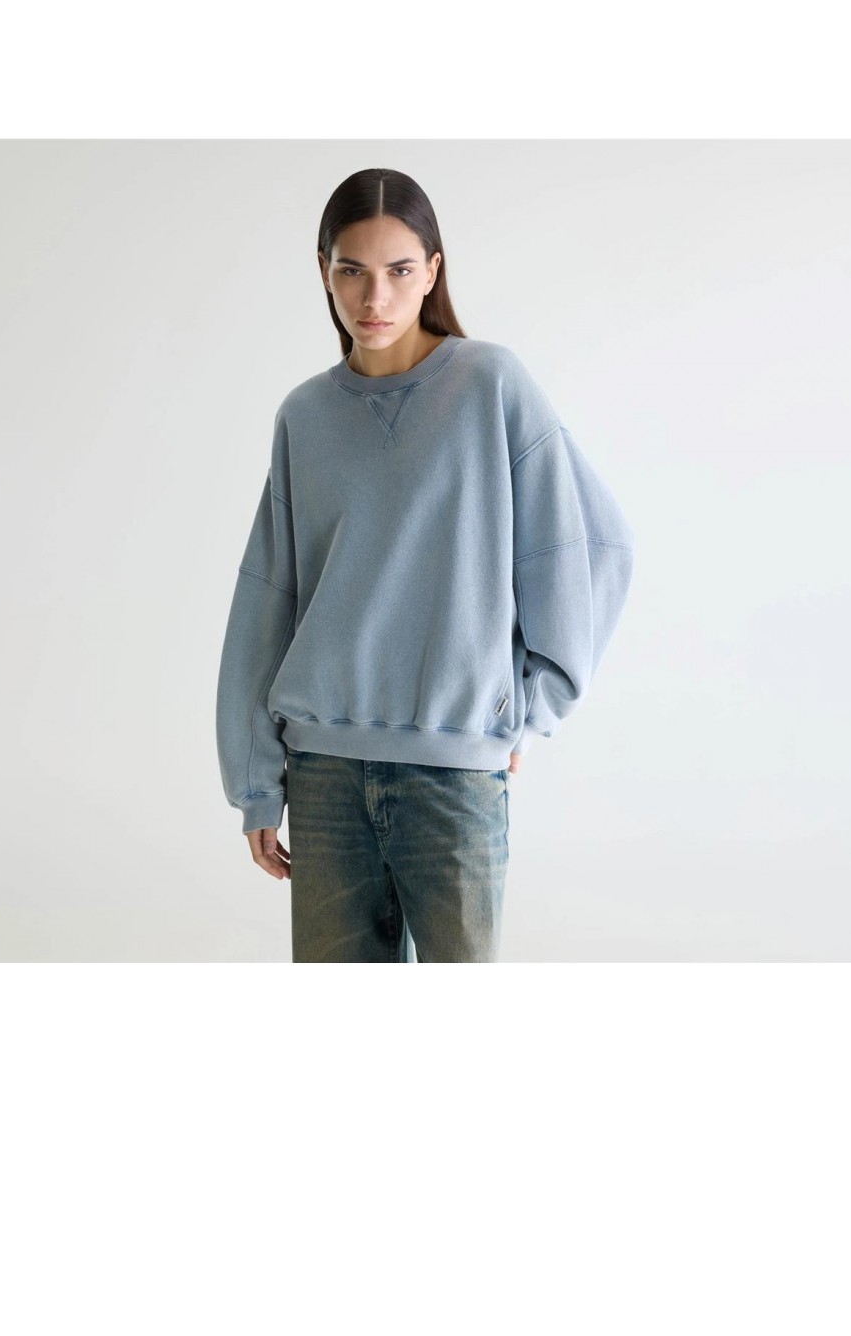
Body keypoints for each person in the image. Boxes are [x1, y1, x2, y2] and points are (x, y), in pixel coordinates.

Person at [215, 168, 635, 963]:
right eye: (352, 270)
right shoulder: (305, 416)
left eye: (400, 270)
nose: (374, 297)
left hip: (454, 778)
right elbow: (268, 598)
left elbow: (596, 546)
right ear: (324, 271)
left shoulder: (490, 386)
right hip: (324, 776)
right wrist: (256, 783)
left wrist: (532, 708)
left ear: (433, 271)